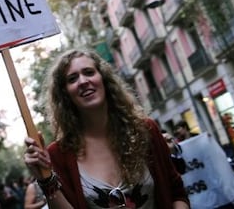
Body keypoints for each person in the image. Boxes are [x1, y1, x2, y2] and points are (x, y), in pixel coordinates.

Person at [24, 49, 189, 209]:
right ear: (65, 93)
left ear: (103, 79)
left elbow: (177, 193)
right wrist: (45, 179)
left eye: (89, 72)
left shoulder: (146, 130)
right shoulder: (58, 153)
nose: (82, 81)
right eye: (72, 79)